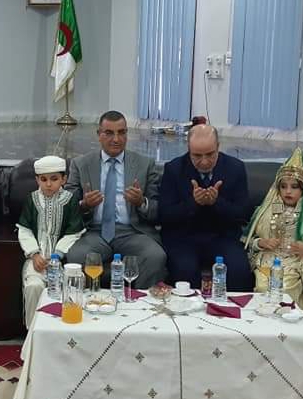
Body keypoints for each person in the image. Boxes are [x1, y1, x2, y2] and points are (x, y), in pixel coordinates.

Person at [243, 148, 303, 338]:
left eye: (294, 187)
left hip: (295, 264)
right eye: (283, 186)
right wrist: (262, 243)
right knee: (263, 289)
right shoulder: (265, 210)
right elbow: (248, 241)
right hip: (267, 262)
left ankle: (288, 336)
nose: (288, 191)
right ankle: (261, 334)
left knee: (285, 291)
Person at [65, 111, 166, 288]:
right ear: (99, 135)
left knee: (155, 256)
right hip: (94, 232)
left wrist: (141, 202)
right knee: (76, 256)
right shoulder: (81, 164)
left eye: (121, 132)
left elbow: (158, 209)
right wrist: (85, 205)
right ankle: (90, 301)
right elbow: (67, 206)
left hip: (132, 232)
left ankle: (139, 302)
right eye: (109, 133)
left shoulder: (145, 164)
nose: (116, 139)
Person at [159, 125, 253, 291]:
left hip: (223, 237)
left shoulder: (235, 168)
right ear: (188, 150)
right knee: (184, 271)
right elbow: (165, 215)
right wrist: (193, 203)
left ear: (218, 147)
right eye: (197, 156)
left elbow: (243, 214)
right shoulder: (173, 169)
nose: (204, 161)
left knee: (239, 270)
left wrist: (216, 202)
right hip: (184, 238)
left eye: (210, 154)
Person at [17, 155, 85, 326]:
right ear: (37, 180)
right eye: (43, 179)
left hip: (62, 260)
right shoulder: (32, 199)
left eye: (54, 179)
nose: (48, 184)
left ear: (64, 179)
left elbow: (73, 233)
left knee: (68, 290)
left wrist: (57, 255)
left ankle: (58, 332)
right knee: (33, 286)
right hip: (37, 259)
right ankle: (33, 332)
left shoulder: (70, 200)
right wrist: (34, 255)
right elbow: (24, 230)